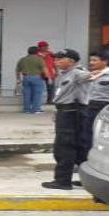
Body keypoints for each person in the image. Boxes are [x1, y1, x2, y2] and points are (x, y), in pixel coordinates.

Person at [42, 48, 92, 191]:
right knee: (79, 148)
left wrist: (99, 72)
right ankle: (86, 180)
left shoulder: (77, 72)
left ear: (71, 61)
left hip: (72, 113)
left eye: (60, 59)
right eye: (56, 59)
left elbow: (89, 76)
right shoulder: (64, 74)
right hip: (65, 111)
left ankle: (62, 181)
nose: (56, 62)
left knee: (64, 148)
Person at [79, 52, 109, 164]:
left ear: (104, 61)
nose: (91, 63)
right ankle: (87, 162)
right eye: (90, 60)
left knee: (102, 138)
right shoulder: (89, 74)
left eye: (95, 60)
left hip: (104, 109)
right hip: (88, 108)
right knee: (86, 137)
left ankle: (103, 162)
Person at [16, 46, 49, 114]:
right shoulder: (39, 59)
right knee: (37, 94)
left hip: (26, 78)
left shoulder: (22, 59)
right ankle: (36, 109)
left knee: (27, 94)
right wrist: (48, 77)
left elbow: (17, 70)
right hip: (37, 78)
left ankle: (26, 109)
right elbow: (44, 69)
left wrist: (18, 79)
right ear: (37, 52)